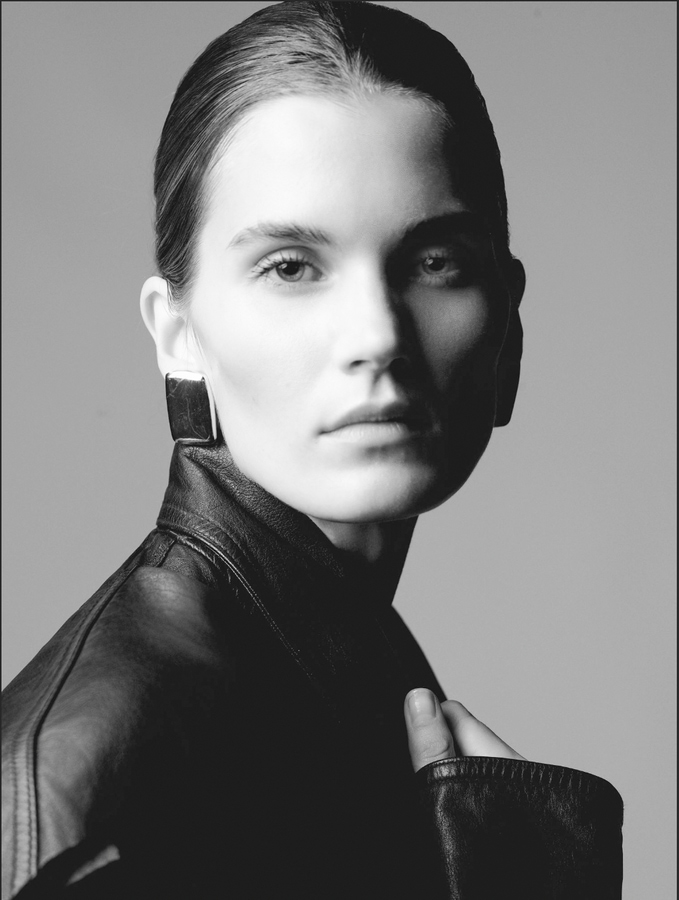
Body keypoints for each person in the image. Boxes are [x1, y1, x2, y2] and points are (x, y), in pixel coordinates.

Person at [1, 2, 623, 897]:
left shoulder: (337, 667)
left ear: (508, 322)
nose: (377, 335)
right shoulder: (100, 791)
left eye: (435, 262)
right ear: (177, 333)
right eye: (291, 266)